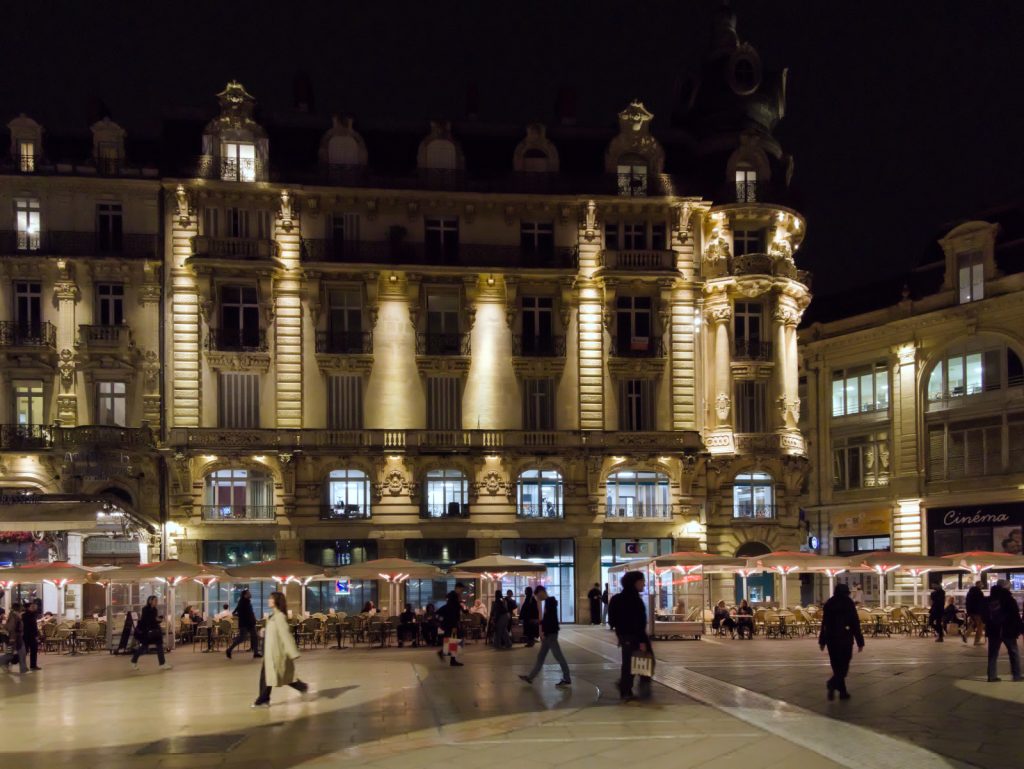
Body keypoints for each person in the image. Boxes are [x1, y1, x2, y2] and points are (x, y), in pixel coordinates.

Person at [252, 591, 309, 707]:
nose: (268, 600)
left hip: (276, 654)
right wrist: (264, 631)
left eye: (270, 598)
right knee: (274, 676)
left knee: (273, 676)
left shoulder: (280, 617)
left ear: (276, 601)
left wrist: (293, 652)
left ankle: (263, 700)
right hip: (270, 654)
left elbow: (286, 635)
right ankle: (301, 687)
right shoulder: (273, 616)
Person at [609, 570, 651, 701]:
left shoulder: (616, 598)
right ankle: (627, 688)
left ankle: (626, 687)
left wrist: (620, 634)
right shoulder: (635, 600)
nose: (644, 584)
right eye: (642, 582)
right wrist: (642, 641)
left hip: (624, 636)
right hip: (635, 637)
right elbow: (639, 622)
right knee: (636, 662)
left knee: (631, 662)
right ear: (635, 583)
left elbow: (612, 620)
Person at [818, 583, 864, 700]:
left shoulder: (829, 603)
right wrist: (860, 641)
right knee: (844, 665)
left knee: (836, 665)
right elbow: (855, 622)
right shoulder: (848, 603)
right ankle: (832, 684)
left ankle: (843, 692)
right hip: (845, 638)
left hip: (831, 639)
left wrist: (822, 640)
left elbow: (825, 623)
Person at [519, 586, 571, 687]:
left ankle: (567, 678)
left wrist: (539, 622)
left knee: (558, 656)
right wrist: (541, 627)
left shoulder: (550, 602)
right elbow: (549, 619)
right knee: (541, 657)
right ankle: (530, 678)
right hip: (548, 634)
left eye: (538, 595)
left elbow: (551, 620)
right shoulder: (549, 602)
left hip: (551, 634)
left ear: (542, 592)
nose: (538, 598)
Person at [983, 580, 1022, 683]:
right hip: (1008, 630)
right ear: (1006, 587)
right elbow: (1015, 616)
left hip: (993, 631)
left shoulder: (989, 599)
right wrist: (1019, 629)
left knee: (992, 654)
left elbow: (984, 615)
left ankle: (991, 676)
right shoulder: (1009, 599)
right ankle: (1016, 675)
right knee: (1014, 653)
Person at [131, 595, 172, 671]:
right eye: (155, 600)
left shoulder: (155, 610)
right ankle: (134, 660)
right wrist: (156, 620)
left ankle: (162, 664)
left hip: (155, 631)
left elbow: (154, 620)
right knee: (144, 647)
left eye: (157, 600)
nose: (156, 602)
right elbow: (147, 621)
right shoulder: (145, 609)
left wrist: (158, 619)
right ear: (150, 601)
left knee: (159, 646)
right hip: (147, 632)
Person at [437, 583, 465, 667]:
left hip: (449, 622)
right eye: (461, 590)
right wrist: (454, 626)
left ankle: (448, 656)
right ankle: (448, 656)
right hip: (451, 623)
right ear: (457, 588)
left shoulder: (452, 597)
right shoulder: (453, 597)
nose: (462, 592)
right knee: (454, 640)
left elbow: (455, 609)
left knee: (452, 640)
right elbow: (453, 612)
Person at [226, 589, 260, 659]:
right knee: (242, 638)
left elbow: (250, 612)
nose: (250, 594)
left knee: (255, 637)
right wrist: (243, 616)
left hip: (250, 623)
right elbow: (235, 612)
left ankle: (256, 653)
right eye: (248, 593)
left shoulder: (248, 602)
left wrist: (253, 617)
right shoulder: (242, 602)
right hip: (244, 623)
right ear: (245, 595)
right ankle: (229, 650)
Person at [1, 602, 28, 674]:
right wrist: (12, 638)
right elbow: (11, 628)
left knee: (21, 653)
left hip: (17, 637)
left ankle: (24, 669)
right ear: (18, 608)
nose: (22, 608)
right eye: (21, 607)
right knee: (10, 654)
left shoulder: (16, 615)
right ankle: (23, 669)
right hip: (15, 638)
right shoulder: (13, 616)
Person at [963, 581, 986, 646]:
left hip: (971, 611)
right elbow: (981, 602)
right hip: (977, 612)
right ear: (978, 585)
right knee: (981, 625)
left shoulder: (970, 592)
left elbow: (967, 602)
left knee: (974, 624)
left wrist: (969, 612)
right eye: (981, 584)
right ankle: (977, 641)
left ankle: (966, 635)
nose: (982, 586)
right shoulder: (979, 592)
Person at [22, 600, 40, 671]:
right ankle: (11, 660)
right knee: (25, 652)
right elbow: (30, 627)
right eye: (32, 607)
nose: (34, 607)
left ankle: (33, 665)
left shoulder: (32, 615)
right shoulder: (26, 616)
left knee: (33, 651)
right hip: (28, 636)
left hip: (30, 636)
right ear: (28, 608)